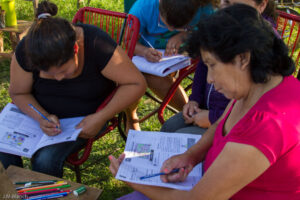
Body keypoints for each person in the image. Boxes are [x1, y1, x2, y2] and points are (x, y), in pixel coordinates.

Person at [109, 4, 300, 199]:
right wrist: (192, 156)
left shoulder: (266, 125)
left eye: (212, 65)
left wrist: (132, 178)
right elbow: (220, 124)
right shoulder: (258, 85)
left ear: (243, 58)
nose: (209, 79)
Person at [0, 0, 146, 178]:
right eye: (49, 74)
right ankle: (15, 190)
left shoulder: (96, 43)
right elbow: (18, 92)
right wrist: (41, 116)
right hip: (38, 121)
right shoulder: (27, 50)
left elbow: (136, 83)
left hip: (85, 121)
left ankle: (43, 195)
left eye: (64, 71)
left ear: (76, 48)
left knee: (44, 160)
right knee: (2, 146)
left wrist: (100, 117)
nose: (59, 79)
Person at [161, 0, 277, 135]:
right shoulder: (219, 27)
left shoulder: (263, 43)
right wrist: (194, 100)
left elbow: (253, 107)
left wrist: (213, 117)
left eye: (238, 6)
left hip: (234, 124)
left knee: (179, 137)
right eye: (225, 2)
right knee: (168, 128)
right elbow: (203, 67)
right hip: (204, 110)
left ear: (262, 5)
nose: (228, 11)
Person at [126, 0, 214, 131]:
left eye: (181, 26)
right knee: (134, 77)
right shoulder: (143, 8)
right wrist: (144, 51)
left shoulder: (204, 8)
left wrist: (185, 35)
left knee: (151, 78)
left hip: (186, 56)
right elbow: (127, 41)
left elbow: (211, 34)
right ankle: (131, 117)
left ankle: (188, 114)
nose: (171, 30)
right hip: (145, 58)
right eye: (164, 23)